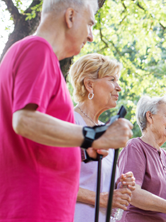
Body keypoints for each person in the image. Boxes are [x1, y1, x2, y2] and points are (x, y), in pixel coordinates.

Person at [0, 0, 133, 221]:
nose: (91, 36)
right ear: (70, 17)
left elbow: (30, 142)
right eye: (90, 24)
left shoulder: (28, 52)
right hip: (34, 208)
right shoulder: (38, 49)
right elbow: (24, 121)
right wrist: (95, 136)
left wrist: (83, 151)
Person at [69, 53, 136, 221]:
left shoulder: (105, 131)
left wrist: (121, 184)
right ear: (89, 85)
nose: (119, 87)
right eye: (112, 80)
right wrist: (100, 199)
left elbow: (101, 187)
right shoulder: (68, 122)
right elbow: (53, 180)